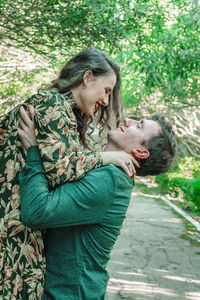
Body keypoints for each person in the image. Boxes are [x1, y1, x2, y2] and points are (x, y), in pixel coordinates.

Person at [0, 48, 138, 299]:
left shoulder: (63, 111)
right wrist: (107, 157)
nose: (106, 102)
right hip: (11, 229)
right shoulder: (52, 103)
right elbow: (60, 172)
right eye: (106, 90)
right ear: (87, 78)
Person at [17, 108, 176, 299]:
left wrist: (32, 151)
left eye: (139, 125)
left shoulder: (110, 179)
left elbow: (36, 211)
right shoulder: (108, 171)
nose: (128, 120)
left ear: (141, 151)